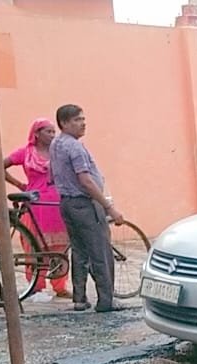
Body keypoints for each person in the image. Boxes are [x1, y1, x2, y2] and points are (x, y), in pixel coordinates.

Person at [48, 104, 126, 312]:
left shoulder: (56, 144)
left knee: (79, 252)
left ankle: (80, 298)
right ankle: (106, 301)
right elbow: (86, 180)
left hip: (66, 203)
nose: (82, 124)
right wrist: (108, 207)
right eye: (77, 120)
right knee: (100, 252)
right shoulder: (75, 147)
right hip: (83, 204)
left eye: (83, 119)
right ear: (64, 123)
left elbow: (51, 173)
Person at [6, 118, 70, 300]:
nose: (52, 134)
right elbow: (1, 164)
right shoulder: (25, 153)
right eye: (48, 131)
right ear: (37, 134)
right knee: (34, 245)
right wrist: (19, 184)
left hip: (57, 201)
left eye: (53, 131)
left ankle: (60, 286)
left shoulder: (58, 152)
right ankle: (36, 285)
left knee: (61, 246)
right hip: (35, 202)